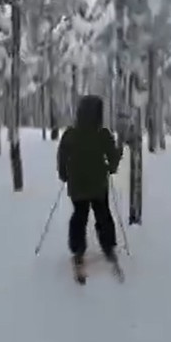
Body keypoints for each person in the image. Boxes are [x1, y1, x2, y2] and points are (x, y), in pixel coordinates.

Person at [56, 94, 122, 266]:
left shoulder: (70, 134)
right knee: (103, 215)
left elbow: (62, 156)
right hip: (98, 184)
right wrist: (111, 167)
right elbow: (113, 157)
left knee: (79, 215)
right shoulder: (103, 134)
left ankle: (77, 248)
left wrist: (63, 174)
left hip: (77, 184)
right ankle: (108, 246)